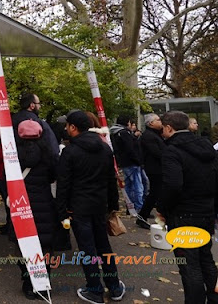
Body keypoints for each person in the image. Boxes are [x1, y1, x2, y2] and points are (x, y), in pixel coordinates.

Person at [56, 110, 125, 303]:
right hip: (100, 205)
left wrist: (61, 212)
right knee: (104, 246)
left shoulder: (70, 151)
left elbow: (63, 184)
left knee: (87, 249)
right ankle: (114, 286)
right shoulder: (105, 149)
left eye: (67, 125)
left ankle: (94, 290)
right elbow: (111, 180)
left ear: (73, 127)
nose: (65, 128)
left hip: (78, 208)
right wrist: (112, 205)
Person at [157, 110, 218, 303]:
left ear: (169, 128)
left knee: (189, 264)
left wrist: (162, 207)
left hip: (183, 213)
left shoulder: (172, 151)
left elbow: (173, 184)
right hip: (206, 211)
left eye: (163, 130)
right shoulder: (207, 147)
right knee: (205, 257)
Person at [9, 119, 57, 300]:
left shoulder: (13, 155)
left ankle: (28, 280)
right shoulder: (49, 154)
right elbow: (53, 176)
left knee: (22, 243)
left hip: (21, 204)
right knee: (44, 244)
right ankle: (43, 285)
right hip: (44, 202)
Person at [136, 113, 166, 229]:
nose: (161, 122)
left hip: (156, 168)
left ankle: (144, 214)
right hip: (155, 169)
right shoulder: (149, 136)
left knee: (156, 193)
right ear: (151, 123)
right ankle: (142, 216)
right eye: (158, 120)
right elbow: (157, 152)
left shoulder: (154, 135)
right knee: (155, 193)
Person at [12, 93, 60, 163]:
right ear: (32, 105)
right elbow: (52, 149)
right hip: (37, 168)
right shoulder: (39, 123)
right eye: (39, 103)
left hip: (13, 165)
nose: (40, 106)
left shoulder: (11, 121)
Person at [110, 115, 144, 212]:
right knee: (137, 186)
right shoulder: (125, 133)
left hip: (124, 162)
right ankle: (139, 207)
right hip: (132, 162)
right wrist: (138, 160)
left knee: (128, 185)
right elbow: (130, 149)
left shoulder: (115, 133)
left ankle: (130, 206)